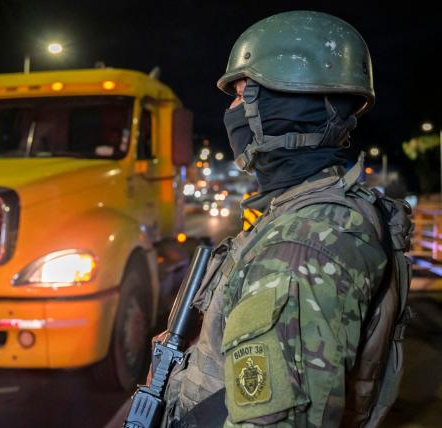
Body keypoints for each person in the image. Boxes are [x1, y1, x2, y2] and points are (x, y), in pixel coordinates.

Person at [157, 10, 409, 428]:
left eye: (242, 95)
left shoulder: (300, 248)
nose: (232, 111)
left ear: (285, 105)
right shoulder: (309, 214)